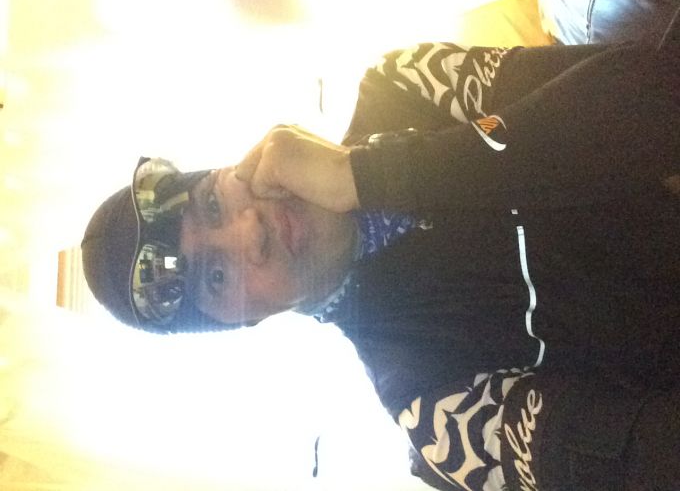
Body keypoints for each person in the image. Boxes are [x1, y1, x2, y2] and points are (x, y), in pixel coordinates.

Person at [81, 39, 680, 490]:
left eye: (213, 203)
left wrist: (371, 175)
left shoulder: (404, 85)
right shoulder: (435, 408)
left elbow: (657, 88)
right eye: (218, 276)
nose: (249, 231)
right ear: (249, 319)